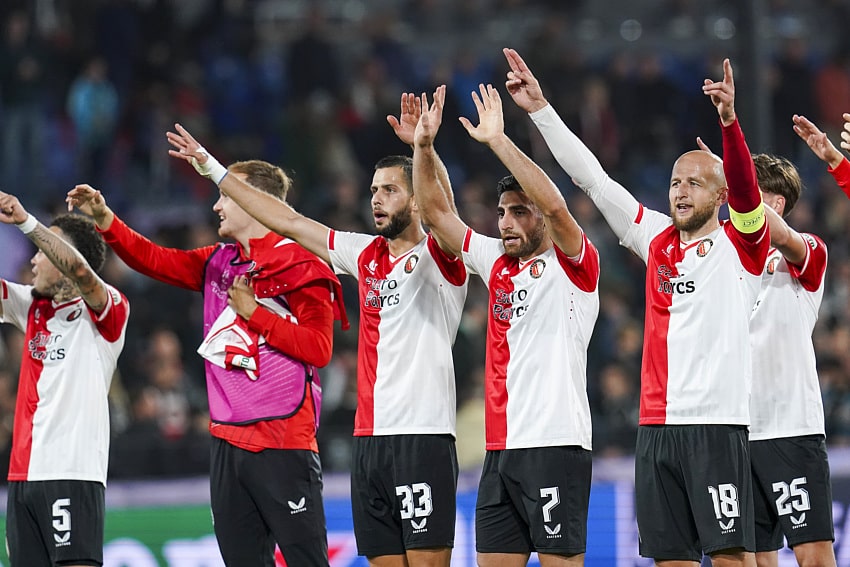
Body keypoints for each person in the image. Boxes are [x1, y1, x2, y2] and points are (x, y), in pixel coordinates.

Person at [165, 113, 468, 567]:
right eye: (373, 190)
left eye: (390, 190)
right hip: (369, 439)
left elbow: (444, 212)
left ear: (417, 200)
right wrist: (212, 167)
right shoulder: (363, 254)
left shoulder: (441, 256)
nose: (376, 199)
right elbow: (288, 221)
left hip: (423, 435)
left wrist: (424, 149)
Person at [504, 48, 768, 565]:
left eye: (694, 183)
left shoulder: (742, 246)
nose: (680, 191)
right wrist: (540, 111)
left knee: (733, 557)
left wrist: (729, 124)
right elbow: (594, 180)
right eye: (675, 182)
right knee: (670, 558)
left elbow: (744, 188)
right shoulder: (655, 238)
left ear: (720, 198)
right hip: (655, 430)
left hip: (716, 426)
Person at [66, 159, 347, 567]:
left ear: (254, 200)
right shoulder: (217, 261)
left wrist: (254, 312)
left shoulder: (303, 264)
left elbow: (319, 349)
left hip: (283, 441)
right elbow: (154, 259)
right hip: (227, 443)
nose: (217, 206)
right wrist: (105, 218)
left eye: (225, 196)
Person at [412, 83, 600, 566]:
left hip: (555, 444)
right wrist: (423, 148)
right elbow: (435, 214)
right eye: (501, 213)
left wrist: (497, 140)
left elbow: (556, 207)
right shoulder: (494, 261)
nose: (506, 223)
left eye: (519, 212)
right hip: (499, 452)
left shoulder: (574, 265)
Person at [0, 192, 129, 567]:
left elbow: (82, 274)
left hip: (72, 473)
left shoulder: (108, 311)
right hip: (22, 477)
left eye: (43, 251)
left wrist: (26, 222)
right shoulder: (31, 305)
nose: (33, 259)